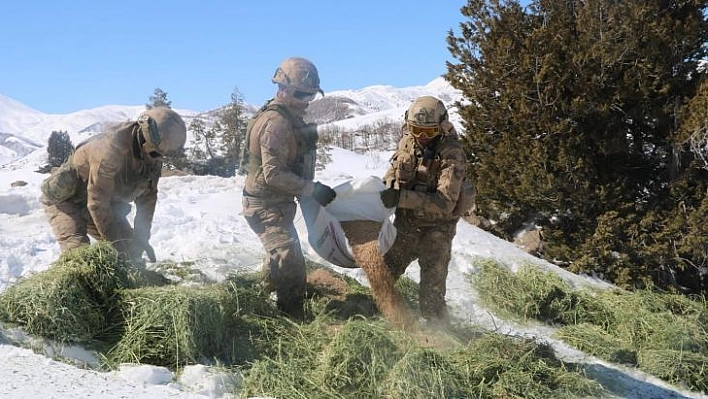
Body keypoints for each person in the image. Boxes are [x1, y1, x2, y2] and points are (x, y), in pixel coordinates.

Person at [240, 56, 337, 319]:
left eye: (310, 96)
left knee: (280, 258)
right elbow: (273, 175)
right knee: (290, 264)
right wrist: (312, 189)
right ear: (285, 89)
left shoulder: (288, 118)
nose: (306, 101)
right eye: (302, 94)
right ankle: (290, 321)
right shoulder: (277, 123)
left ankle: (264, 301)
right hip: (264, 206)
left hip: (278, 204)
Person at [40, 107, 187, 265]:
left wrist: (141, 237)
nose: (157, 160)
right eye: (155, 154)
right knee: (79, 255)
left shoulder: (153, 154)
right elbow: (97, 203)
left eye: (160, 155)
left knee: (130, 251)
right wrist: (116, 246)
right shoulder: (109, 150)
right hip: (66, 200)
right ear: (144, 139)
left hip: (101, 201)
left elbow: (148, 198)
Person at [379, 96, 469, 322]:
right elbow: (394, 169)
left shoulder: (452, 154)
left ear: (440, 127)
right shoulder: (408, 140)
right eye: (415, 129)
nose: (421, 137)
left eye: (428, 132)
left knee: (431, 300)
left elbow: (445, 202)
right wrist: (388, 185)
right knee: (382, 279)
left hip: (436, 233)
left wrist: (400, 198)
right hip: (405, 227)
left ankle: (440, 341)